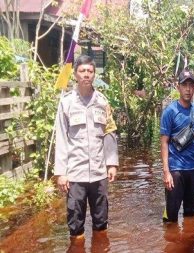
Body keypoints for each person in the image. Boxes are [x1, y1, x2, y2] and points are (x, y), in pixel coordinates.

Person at [54, 55, 119, 247]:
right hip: (75, 174)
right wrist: (61, 173)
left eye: (90, 71)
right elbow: (62, 138)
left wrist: (112, 163)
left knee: (101, 222)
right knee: (75, 224)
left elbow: (109, 132)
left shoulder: (102, 101)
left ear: (94, 74)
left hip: (99, 173)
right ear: (75, 74)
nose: (86, 75)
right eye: (82, 71)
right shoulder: (66, 103)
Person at [160, 69, 194, 222]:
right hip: (176, 170)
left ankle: (189, 243)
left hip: (193, 169)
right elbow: (164, 142)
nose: (187, 89)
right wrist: (166, 172)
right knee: (171, 216)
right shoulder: (170, 112)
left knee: (191, 213)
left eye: (190, 85)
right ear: (178, 87)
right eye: (184, 85)